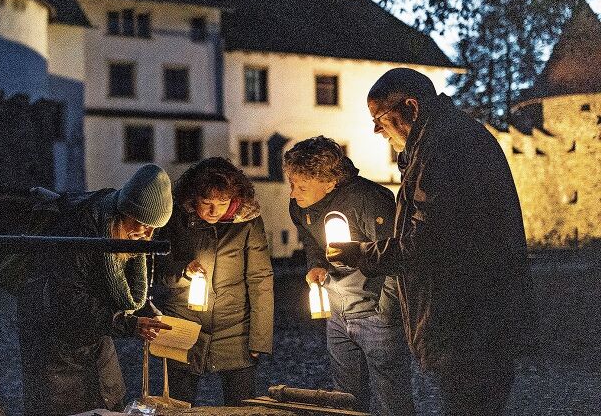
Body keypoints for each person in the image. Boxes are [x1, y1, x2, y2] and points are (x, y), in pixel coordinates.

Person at [327, 68, 535, 415]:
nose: (376, 129)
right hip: (472, 320)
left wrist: (361, 252)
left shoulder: (445, 149)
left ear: (411, 107)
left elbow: (426, 243)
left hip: (470, 324)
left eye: (379, 117)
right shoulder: (439, 143)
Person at [16, 164, 174, 416]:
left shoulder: (123, 229)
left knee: (108, 404)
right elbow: (68, 298)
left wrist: (144, 311)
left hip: (96, 340)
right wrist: (129, 325)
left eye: (155, 228)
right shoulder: (83, 229)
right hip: (55, 344)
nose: (148, 234)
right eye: (143, 223)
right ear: (125, 210)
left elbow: (121, 289)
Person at [283, 136, 414, 415]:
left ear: (331, 182)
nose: (293, 193)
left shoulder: (369, 200)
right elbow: (310, 240)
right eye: (292, 183)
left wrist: (387, 311)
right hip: (337, 314)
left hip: (376, 316)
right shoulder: (300, 207)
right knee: (347, 401)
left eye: (302, 186)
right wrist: (315, 265)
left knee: (393, 399)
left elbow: (396, 256)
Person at [155, 157, 274, 406]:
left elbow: (260, 278)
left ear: (234, 197)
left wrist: (260, 338)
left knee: (242, 407)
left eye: (222, 203)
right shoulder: (175, 218)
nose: (214, 211)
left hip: (235, 328)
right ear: (192, 197)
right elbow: (155, 266)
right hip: (183, 323)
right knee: (175, 403)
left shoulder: (248, 222)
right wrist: (182, 271)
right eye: (206, 203)